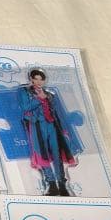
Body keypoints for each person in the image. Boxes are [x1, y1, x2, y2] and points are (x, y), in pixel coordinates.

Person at [19, 68, 77, 196]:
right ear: (31, 79)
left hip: (52, 126)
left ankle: (62, 184)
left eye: (41, 79)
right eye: (36, 79)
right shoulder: (24, 91)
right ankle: (51, 184)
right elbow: (25, 107)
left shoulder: (49, 94)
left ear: (44, 81)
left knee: (57, 153)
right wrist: (39, 99)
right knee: (41, 153)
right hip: (37, 125)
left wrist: (63, 129)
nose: (38, 82)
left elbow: (56, 112)